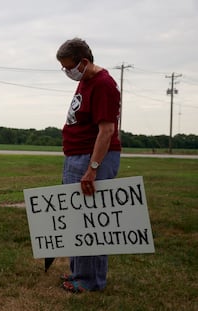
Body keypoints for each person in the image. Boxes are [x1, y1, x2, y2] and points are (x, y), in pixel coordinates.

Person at [56, 38, 121, 293]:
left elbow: (106, 131)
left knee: (91, 220)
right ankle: (78, 273)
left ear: (84, 62)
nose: (67, 72)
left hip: (91, 157)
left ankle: (90, 280)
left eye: (69, 67)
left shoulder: (104, 84)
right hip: (76, 155)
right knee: (76, 219)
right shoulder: (85, 81)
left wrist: (92, 168)